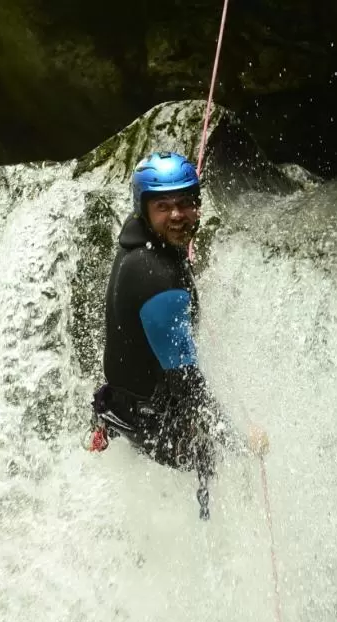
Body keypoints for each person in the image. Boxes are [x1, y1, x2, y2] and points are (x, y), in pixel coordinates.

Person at [89, 150, 268, 520]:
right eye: (164, 206)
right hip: (150, 421)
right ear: (144, 209)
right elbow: (186, 384)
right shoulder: (157, 280)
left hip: (124, 403)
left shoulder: (142, 242)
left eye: (186, 203)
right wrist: (237, 441)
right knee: (215, 456)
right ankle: (210, 537)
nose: (176, 215)